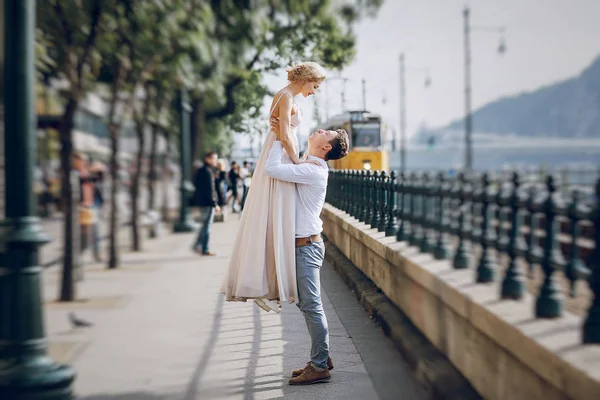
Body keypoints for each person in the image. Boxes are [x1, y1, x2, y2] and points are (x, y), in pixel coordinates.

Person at [222, 61, 326, 312]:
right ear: (306, 78)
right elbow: (285, 135)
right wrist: (297, 160)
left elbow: (283, 131)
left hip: (278, 152)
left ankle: (268, 283)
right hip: (280, 154)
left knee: (275, 216)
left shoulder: (284, 95)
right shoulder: (285, 96)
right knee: (278, 215)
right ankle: (266, 284)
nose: (315, 91)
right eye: (316, 85)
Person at [265, 121, 350, 385]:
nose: (321, 130)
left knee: (311, 305)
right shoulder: (308, 165)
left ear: (326, 147)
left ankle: (319, 365)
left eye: (328, 133)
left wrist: (277, 136)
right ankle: (321, 356)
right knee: (306, 304)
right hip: (304, 245)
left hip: (306, 247)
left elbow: (272, 168)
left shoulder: (313, 171)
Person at [191, 152, 220, 256]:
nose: (215, 161)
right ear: (207, 159)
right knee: (207, 226)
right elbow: (210, 190)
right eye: (214, 159)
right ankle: (204, 249)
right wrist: (215, 204)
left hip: (203, 201)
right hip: (208, 202)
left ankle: (198, 245)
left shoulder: (203, 170)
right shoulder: (208, 172)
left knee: (204, 225)